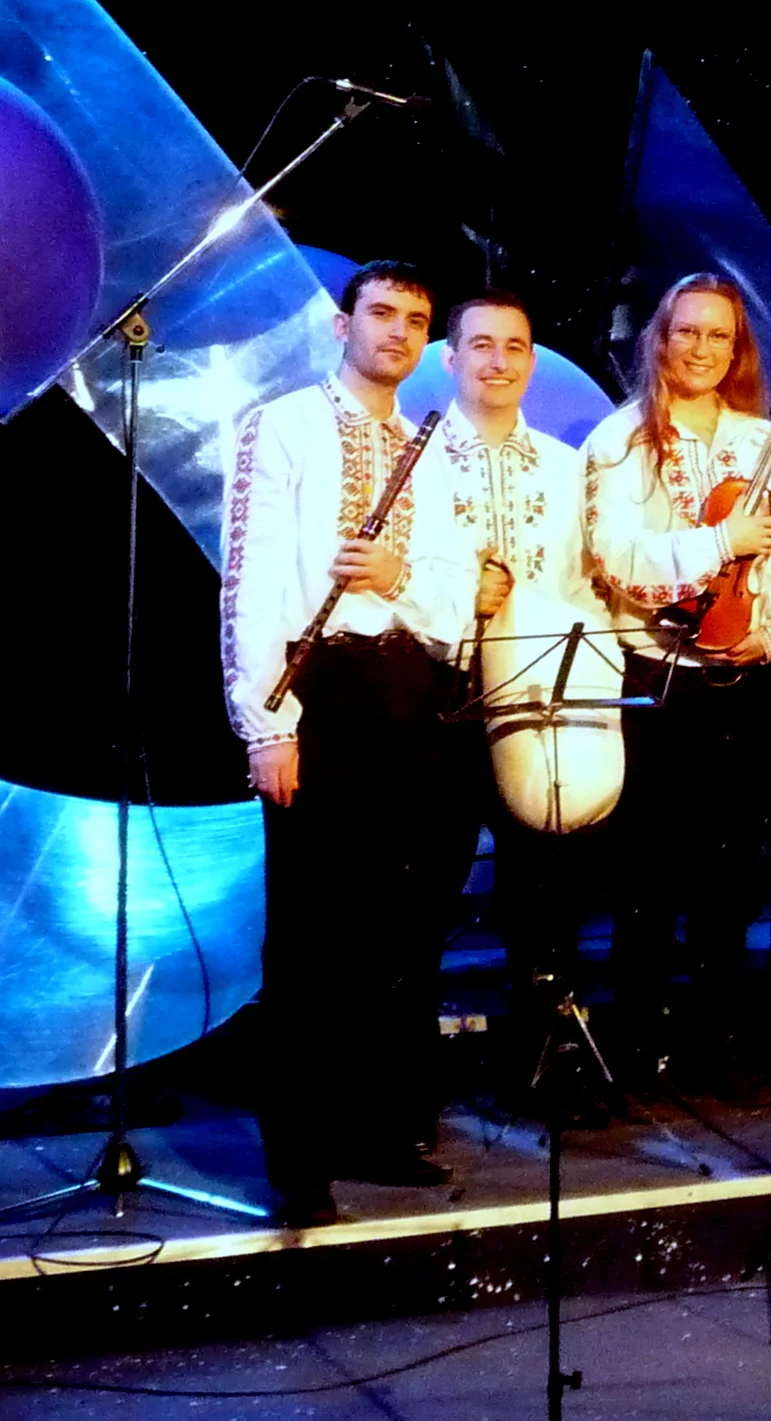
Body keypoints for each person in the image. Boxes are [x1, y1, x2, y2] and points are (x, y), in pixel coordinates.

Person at [220, 259, 472, 1228]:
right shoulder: (282, 425)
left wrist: (404, 569)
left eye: (416, 319)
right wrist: (265, 723)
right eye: (383, 314)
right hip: (317, 687)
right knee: (312, 937)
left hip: (411, 691)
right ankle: (299, 1157)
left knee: (393, 931)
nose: (399, 332)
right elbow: (247, 584)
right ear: (343, 325)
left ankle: (372, 1128)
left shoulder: (434, 443)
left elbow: (454, 596)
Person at [583, 272, 771, 1089]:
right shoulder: (622, 439)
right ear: (660, 339)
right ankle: (638, 1042)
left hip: (748, 679)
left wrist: (768, 629)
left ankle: (716, 1041)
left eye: (720, 336)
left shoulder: (768, 435)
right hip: (660, 676)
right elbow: (619, 558)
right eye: (687, 332)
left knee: (732, 877)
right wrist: (717, 545)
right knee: (649, 876)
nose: (702, 349)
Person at [425, 289, 606, 1102]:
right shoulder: (419, 458)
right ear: (451, 358)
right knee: (430, 881)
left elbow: (580, 587)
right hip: (440, 695)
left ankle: (539, 1058)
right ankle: (412, 1077)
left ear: (533, 361)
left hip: (537, 698)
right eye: (482, 345)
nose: (498, 361)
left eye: (515, 346)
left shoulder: (569, 469)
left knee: (543, 886)